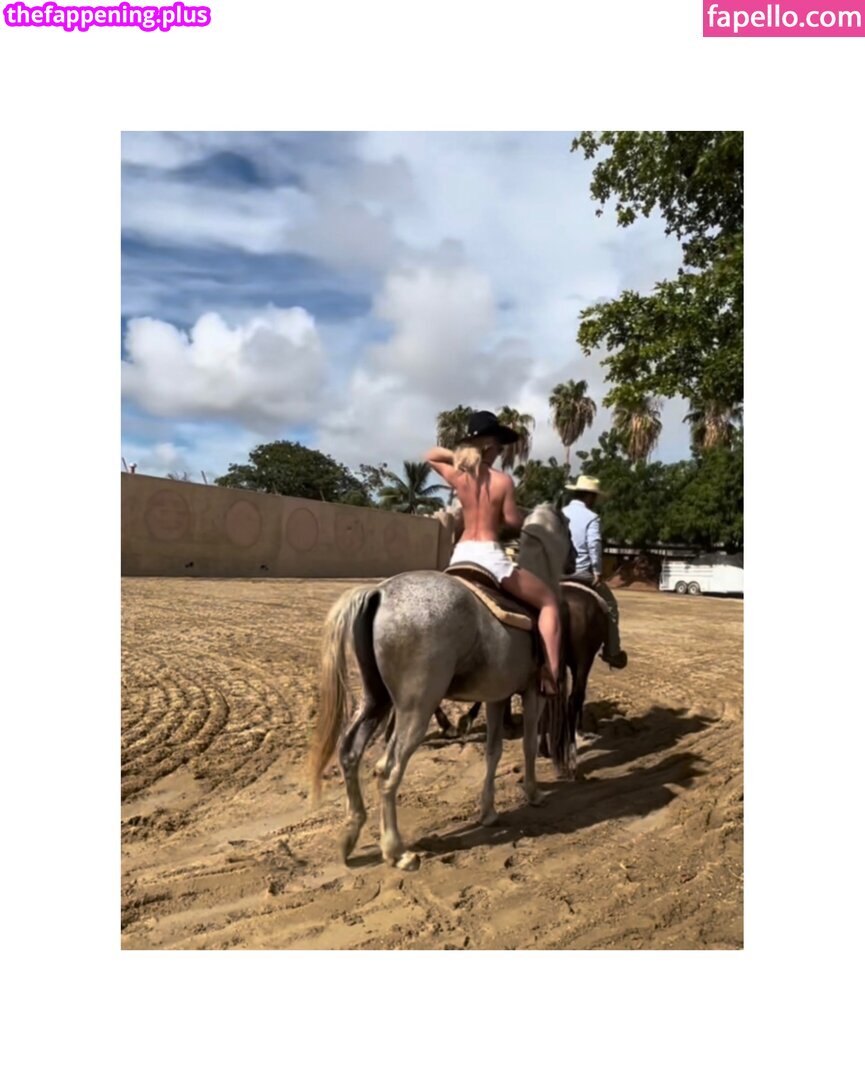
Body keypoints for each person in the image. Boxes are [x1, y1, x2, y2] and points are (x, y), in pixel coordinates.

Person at [425, 411, 562, 696]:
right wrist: (516, 519)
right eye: (498, 446)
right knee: (549, 601)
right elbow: (512, 521)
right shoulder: (503, 482)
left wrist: (461, 458)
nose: (500, 451)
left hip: (460, 555)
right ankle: (551, 674)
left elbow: (431, 455)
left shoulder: (459, 476)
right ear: (489, 446)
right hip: (489, 557)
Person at [562, 475, 628, 669]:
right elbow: (594, 544)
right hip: (582, 574)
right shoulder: (592, 518)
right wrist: (598, 571)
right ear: (590, 497)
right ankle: (612, 651)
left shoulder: (560, 513)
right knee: (611, 606)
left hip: (557, 573)